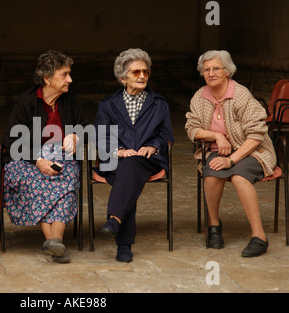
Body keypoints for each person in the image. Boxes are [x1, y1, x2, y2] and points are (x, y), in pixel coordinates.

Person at [185, 50, 276, 257]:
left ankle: (259, 236)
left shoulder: (240, 94)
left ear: (227, 71)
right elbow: (192, 129)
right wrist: (217, 137)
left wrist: (232, 159)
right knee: (211, 174)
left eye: (216, 68)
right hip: (219, 150)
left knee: (239, 176)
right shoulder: (200, 96)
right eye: (206, 69)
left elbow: (256, 134)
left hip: (253, 150)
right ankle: (214, 227)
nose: (211, 73)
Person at [1, 50, 88, 263]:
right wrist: (37, 160)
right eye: (64, 74)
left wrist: (76, 136)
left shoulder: (69, 100)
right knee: (37, 180)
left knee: (68, 176)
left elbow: (86, 128)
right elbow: (9, 142)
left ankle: (54, 242)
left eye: (69, 73)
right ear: (47, 79)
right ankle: (55, 241)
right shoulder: (27, 102)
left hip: (61, 157)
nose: (70, 79)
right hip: (26, 158)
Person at [94, 48, 175, 262]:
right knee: (127, 171)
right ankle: (122, 240)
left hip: (148, 161)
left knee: (130, 168)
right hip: (115, 160)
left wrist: (154, 146)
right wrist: (118, 151)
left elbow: (166, 134)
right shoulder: (107, 105)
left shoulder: (159, 103)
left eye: (145, 72)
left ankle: (116, 222)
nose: (142, 76)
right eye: (136, 72)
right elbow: (100, 136)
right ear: (123, 78)